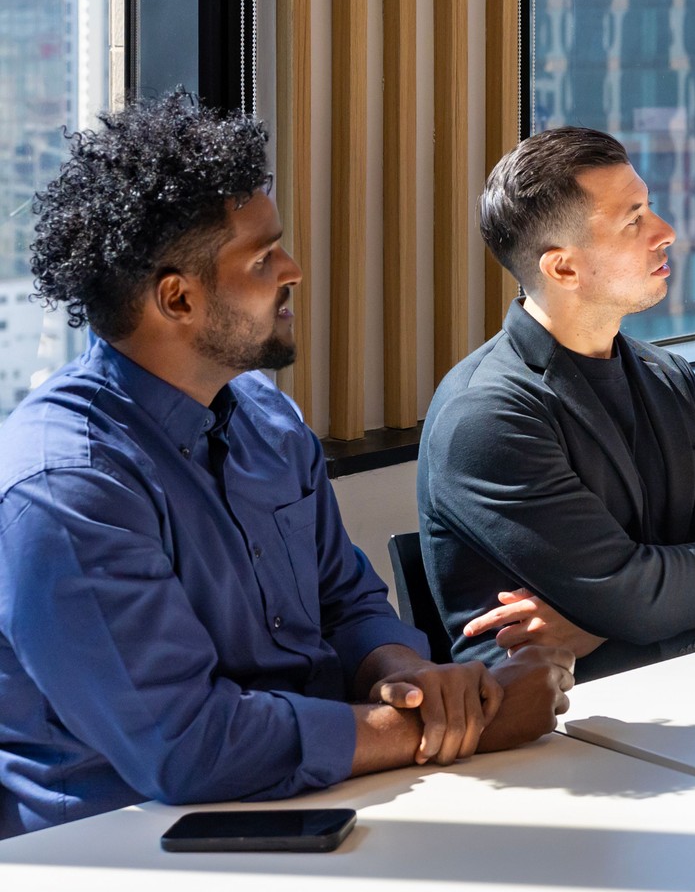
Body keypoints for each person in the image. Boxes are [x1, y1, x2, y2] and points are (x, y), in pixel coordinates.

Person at [0, 94, 573, 840]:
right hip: (129, 843)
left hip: (320, 801)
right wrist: (457, 729)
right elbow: (188, 747)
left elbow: (346, 603)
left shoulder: (268, 423)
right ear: (177, 298)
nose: (294, 269)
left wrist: (406, 675)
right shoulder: (65, 490)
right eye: (263, 257)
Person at [417, 127, 695, 683]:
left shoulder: (671, 377)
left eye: (650, 208)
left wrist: (598, 620)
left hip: (686, 689)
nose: (666, 232)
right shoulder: (487, 415)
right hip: (557, 724)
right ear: (562, 268)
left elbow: (673, 582)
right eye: (633, 220)